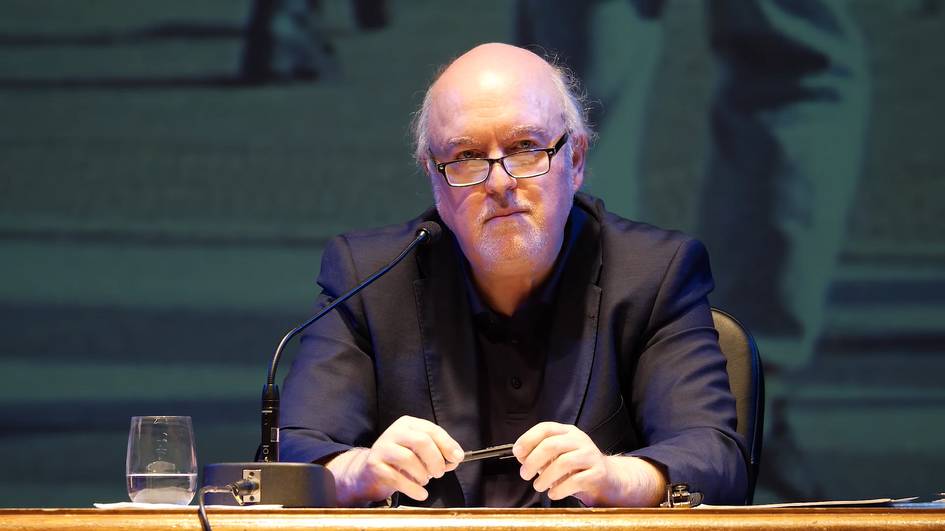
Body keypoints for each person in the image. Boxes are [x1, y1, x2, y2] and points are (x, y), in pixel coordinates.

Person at [280, 42, 747, 507]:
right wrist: (358, 472)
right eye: (466, 156)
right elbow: (291, 456)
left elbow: (716, 459)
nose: (500, 183)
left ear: (576, 159)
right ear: (434, 177)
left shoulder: (655, 274)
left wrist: (617, 478)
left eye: (526, 148)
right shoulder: (369, 278)